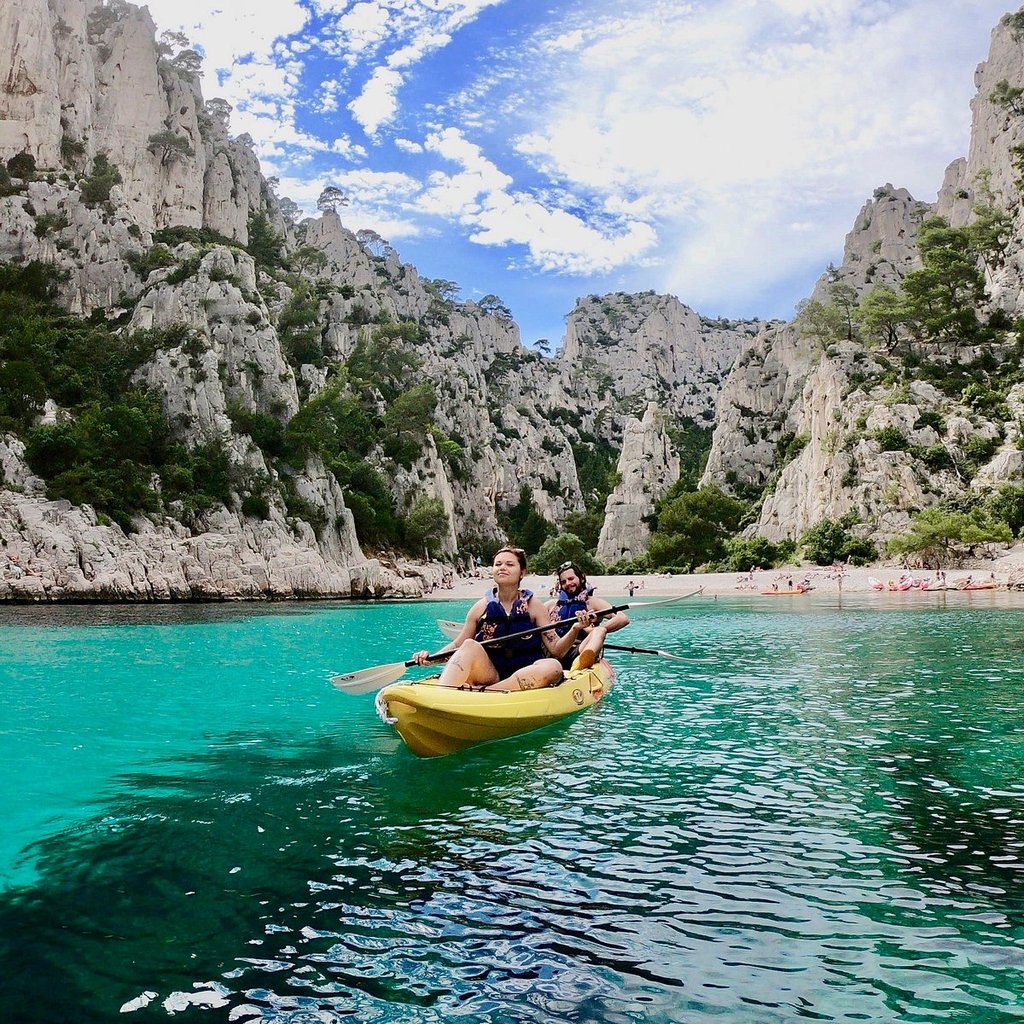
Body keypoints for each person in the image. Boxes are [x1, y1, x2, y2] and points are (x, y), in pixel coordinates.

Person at [410, 546, 565, 691]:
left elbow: (555, 649)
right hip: (491, 674)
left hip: (526, 673)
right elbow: (458, 645)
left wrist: (576, 628)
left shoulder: (534, 606)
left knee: (553, 666)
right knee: (469, 645)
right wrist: (431, 659)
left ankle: (491, 692)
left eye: (510, 564)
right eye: (498, 564)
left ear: (522, 572)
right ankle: (442, 695)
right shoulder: (480, 608)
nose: (502, 567)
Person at [546, 560, 630, 671]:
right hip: (555, 653)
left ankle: (582, 663)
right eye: (563, 582)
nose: (567, 583)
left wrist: (593, 629)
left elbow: (622, 618)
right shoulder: (551, 605)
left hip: (580, 649)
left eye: (571, 579)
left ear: (581, 578)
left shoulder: (592, 603)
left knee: (599, 631)